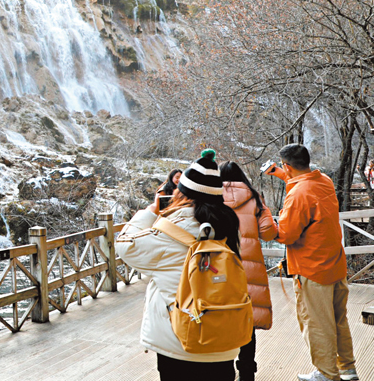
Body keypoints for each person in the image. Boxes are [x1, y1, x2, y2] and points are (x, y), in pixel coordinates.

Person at [116, 150, 243, 381]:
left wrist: (149, 213)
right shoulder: (228, 226)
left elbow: (124, 245)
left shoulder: (166, 232)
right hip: (225, 341)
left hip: (180, 343)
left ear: (182, 194)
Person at [273, 144, 357, 381]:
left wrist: (266, 227)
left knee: (318, 325)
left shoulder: (299, 194)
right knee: (338, 320)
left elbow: (287, 234)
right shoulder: (324, 182)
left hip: (312, 269)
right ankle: (347, 369)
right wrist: (284, 176)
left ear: (287, 166)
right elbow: (304, 188)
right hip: (335, 264)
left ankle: (327, 374)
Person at [221, 161, 279, 381]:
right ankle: (247, 371)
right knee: (247, 319)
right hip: (248, 266)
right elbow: (268, 233)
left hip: (220, 264)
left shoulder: (212, 197)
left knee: (222, 316)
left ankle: (224, 368)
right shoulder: (254, 198)